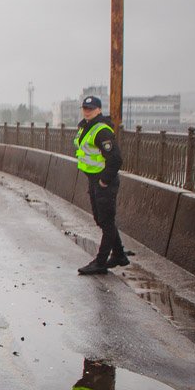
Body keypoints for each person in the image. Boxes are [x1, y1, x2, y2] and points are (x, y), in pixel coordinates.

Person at [74, 96, 127, 275]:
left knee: (106, 221)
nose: (87, 111)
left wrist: (104, 180)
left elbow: (116, 159)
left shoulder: (102, 130)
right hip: (94, 180)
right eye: (85, 108)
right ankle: (119, 255)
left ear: (98, 110)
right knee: (102, 220)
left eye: (91, 108)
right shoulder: (86, 126)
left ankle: (100, 262)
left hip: (104, 182)